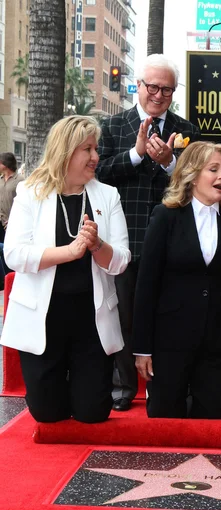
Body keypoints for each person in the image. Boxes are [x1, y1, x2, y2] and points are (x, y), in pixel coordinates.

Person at [0, 116, 130, 423]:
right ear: (65, 152)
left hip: (91, 319)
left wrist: (98, 246)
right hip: (43, 317)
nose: (96, 157)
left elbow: (122, 259)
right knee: (48, 413)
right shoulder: (32, 193)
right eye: (87, 149)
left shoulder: (107, 195)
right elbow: (14, 254)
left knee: (92, 413)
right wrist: (69, 253)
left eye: (95, 148)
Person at [97, 53, 200, 411]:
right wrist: (138, 154)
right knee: (122, 314)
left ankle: (166, 387)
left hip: (173, 243)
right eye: (152, 86)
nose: (159, 94)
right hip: (123, 237)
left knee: (167, 316)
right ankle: (123, 388)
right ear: (138, 86)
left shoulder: (186, 130)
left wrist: (169, 162)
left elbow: (195, 184)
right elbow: (98, 175)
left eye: (167, 89)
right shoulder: (112, 127)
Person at [132, 141, 221, 419]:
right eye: (213, 169)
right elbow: (146, 285)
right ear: (192, 173)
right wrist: (142, 348)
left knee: (212, 421)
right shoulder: (165, 216)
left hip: (217, 341)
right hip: (169, 340)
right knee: (165, 418)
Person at [0, 152, 24, 287]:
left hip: (12, 223)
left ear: (5, 164)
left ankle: (12, 279)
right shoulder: (0, 179)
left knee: (9, 251)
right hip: (1, 222)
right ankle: (5, 279)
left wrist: (15, 219)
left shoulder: (20, 180)